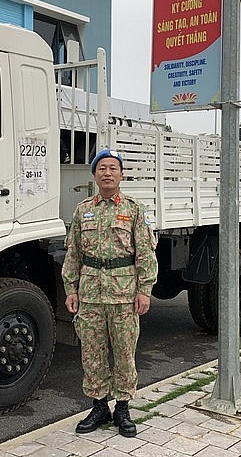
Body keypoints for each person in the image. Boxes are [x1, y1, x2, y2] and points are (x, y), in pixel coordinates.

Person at [61, 148, 158, 438]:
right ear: (94, 175)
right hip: (90, 293)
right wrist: (70, 289)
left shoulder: (134, 210)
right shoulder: (82, 211)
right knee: (92, 353)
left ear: (121, 175)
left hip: (124, 294)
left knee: (125, 353)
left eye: (113, 168)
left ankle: (124, 408)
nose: (107, 173)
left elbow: (145, 253)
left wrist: (145, 290)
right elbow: (73, 254)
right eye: (101, 168)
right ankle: (99, 405)